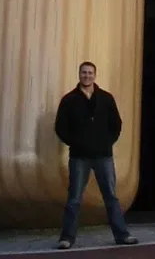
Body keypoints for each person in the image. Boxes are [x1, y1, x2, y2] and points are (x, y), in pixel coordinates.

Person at [54, 62, 138, 250]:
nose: (87, 76)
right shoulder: (69, 100)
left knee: (111, 196)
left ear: (95, 75)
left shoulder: (106, 98)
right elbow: (60, 127)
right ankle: (66, 238)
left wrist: (107, 142)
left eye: (90, 73)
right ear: (79, 75)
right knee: (74, 198)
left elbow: (116, 123)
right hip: (79, 157)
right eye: (84, 73)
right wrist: (75, 142)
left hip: (103, 156)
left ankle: (122, 235)